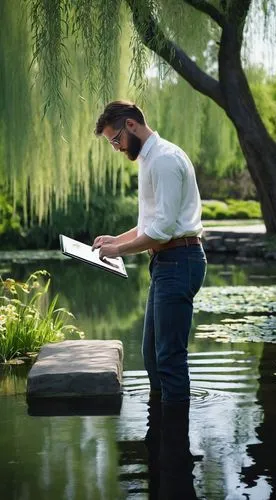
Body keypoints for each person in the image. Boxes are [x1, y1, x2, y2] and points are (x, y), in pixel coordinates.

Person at [92, 100, 207, 406]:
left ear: (131, 125)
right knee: (152, 354)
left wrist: (119, 250)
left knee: (169, 356)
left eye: (115, 140)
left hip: (180, 260)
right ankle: (159, 430)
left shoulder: (165, 160)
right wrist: (115, 238)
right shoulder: (149, 159)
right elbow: (151, 224)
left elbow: (165, 228)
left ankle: (175, 438)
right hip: (167, 262)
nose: (116, 148)